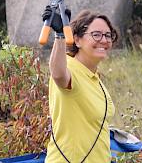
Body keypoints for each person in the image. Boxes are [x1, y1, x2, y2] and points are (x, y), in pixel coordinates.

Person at [44, 8, 117, 163]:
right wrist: (60, 35)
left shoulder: (94, 78)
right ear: (77, 40)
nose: (104, 40)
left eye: (108, 35)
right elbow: (58, 74)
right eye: (96, 34)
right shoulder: (71, 68)